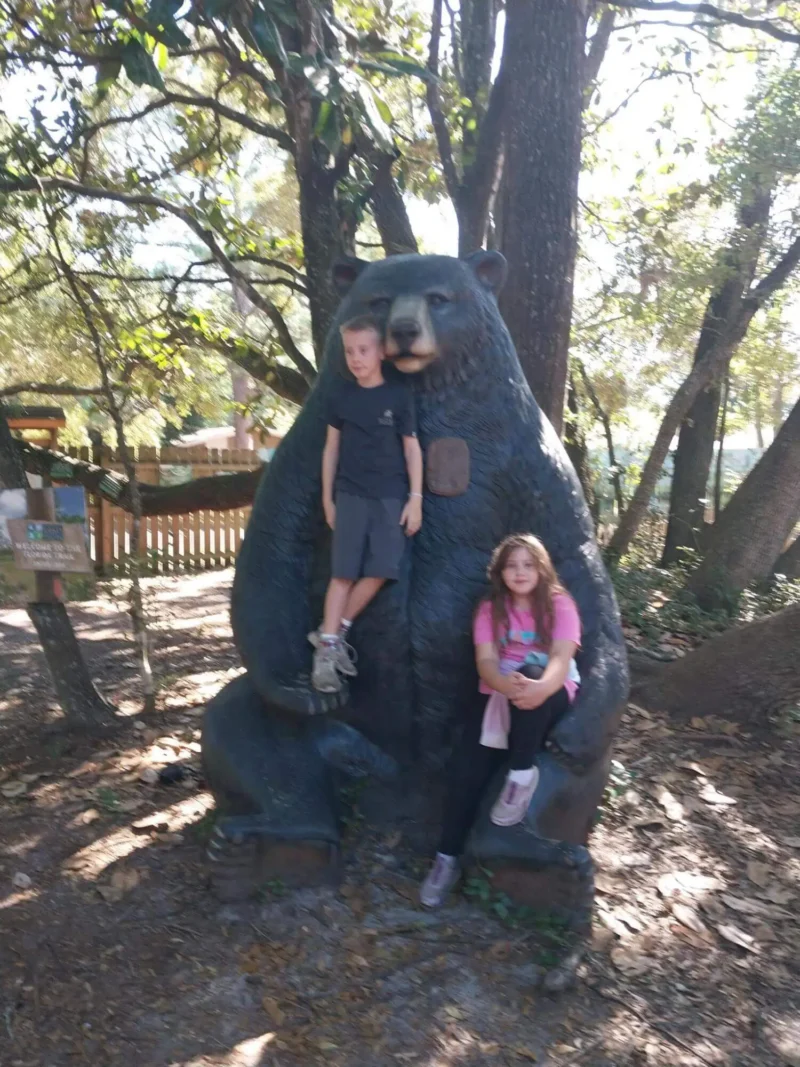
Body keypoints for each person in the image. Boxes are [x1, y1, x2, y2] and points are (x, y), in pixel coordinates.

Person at [419, 533, 581, 908]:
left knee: (530, 668)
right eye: (512, 565)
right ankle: (446, 859)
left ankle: (521, 775)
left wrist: (539, 688)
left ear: (542, 568)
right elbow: (487, 661)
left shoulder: (560, 604)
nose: (520, 572)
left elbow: (560, 657)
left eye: (528, 564)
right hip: (501, 689)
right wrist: (506, 686)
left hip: (550, 688)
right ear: (500, 572)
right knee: (466, 773)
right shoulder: (491, 609)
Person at [310, 315, 424, 693]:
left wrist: (416, 499)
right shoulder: (341, 396)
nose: (356, 358)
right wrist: (327, 499)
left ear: (380, 353)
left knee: (381, 570)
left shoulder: (398, 395)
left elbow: (412, 450)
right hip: (350, 495)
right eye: (349, 351)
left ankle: (333, 631)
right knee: (342, 574)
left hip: (391, 497)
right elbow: (329, 450)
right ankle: (325, 657)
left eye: (363, 350)